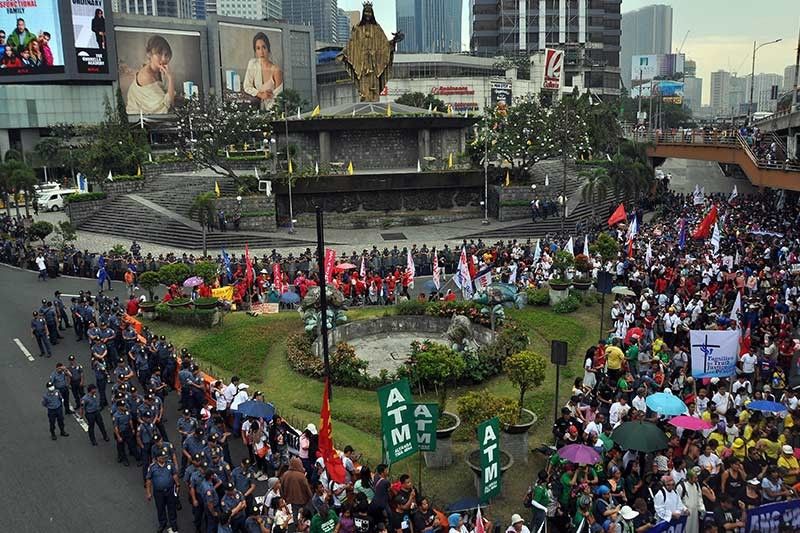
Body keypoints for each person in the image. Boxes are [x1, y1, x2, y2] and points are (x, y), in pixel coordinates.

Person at [126, 35, 175, 114]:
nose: (163, 59)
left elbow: (165, 93)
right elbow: (167, 106)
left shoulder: (158, 70)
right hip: (138, 121)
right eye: (159, 53)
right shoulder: (146, 76)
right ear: (149, 54)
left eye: (166, 55)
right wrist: (171, 77)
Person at [242, 32, 284, 110]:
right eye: (258, 48)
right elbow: (247, 86)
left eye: (264, 47)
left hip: (272, 110)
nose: (261, 52)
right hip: (257, 108)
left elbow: (279, 99)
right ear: (255, 51)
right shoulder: (253, 64)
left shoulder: (276, 71)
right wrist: (260, 94)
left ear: (268, 49)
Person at [145, 451, 180, 533]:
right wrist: (148, 493)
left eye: (164, 457)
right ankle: (163, 524)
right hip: (158, 493)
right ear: (157, 458)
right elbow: (148, 480)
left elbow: (174, 474)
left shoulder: (169, 464)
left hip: (170, 490)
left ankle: (173, 524)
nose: (164, 458)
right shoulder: (152, 467)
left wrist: (178, 484)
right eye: (162, 457)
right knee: (160, 508)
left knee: (172, 508)